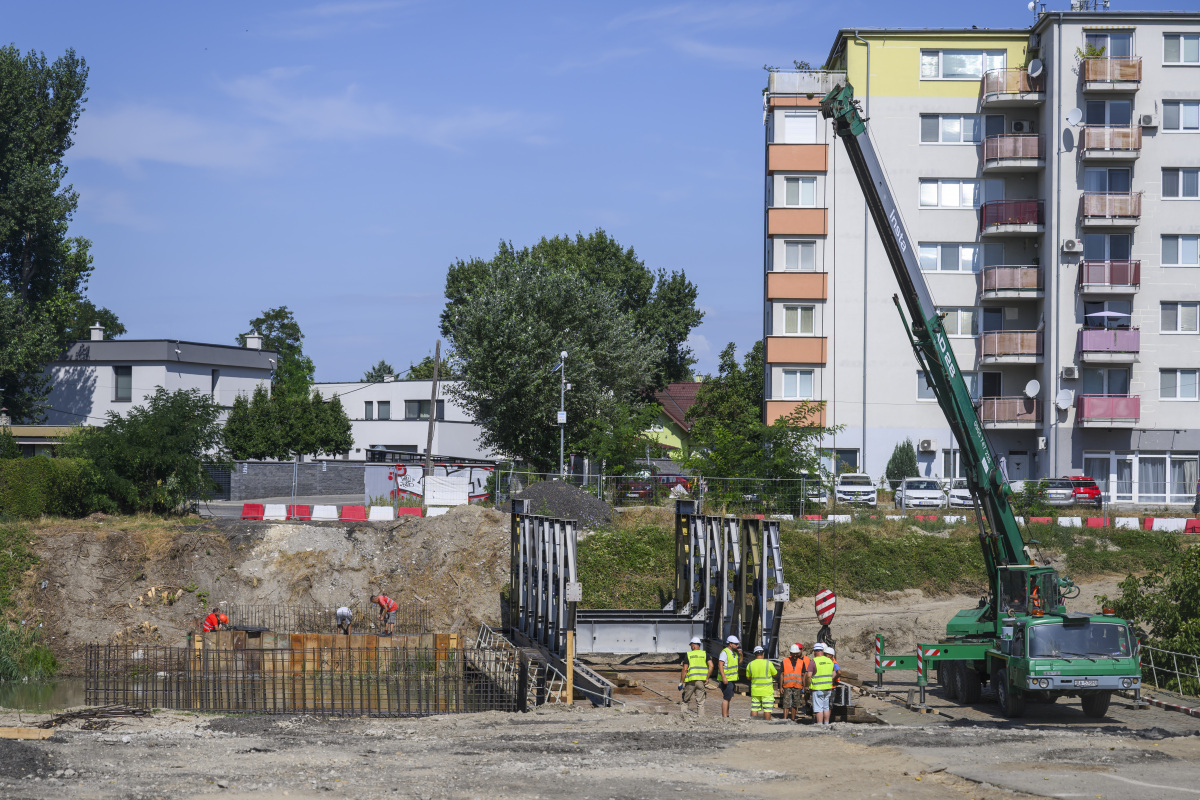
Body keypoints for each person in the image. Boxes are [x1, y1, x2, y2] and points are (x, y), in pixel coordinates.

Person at [679, 636, 712, 716]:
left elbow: (685, 669)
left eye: (691, 645)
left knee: (685, 700)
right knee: (700, 702)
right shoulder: (705, 654)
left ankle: (683, 719)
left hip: (690, 681)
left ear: (693, 645)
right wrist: (707, 678)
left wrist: (681, 682)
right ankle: (701, 719)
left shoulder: (689, 655)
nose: (691, 647)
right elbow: (711, 666)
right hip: (701, 681)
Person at [808, 642, 838, 726]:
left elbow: (808, 676)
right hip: (828, 688)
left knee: (818, 708)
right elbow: (834, 674)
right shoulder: (829, 661)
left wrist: (807, 685)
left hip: (817, 688)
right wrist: (829, 681)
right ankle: (827, 724)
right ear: (822, 651)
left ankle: (820, 725)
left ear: (814, 651)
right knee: (826, 707)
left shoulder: (814, 661)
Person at [745, 645, 778, 720]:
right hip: (767, 691)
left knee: (754, 708)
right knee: (767, 710)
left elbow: (748, 677)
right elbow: (775, 674)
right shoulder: (768, 663)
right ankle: (766, 726)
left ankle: (754, 724)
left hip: (755, 691)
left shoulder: (750, 664)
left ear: (755, 654)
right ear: (763, 653)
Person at [780, 643, 810, 722]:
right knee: (786, 703)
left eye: (796, 654)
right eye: (793, 654)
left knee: (795, 703)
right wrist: (780, 687)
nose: (795, 656)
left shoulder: (801, 662)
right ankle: (785, 719)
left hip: (797, 686)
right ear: (790, 653)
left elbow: (803, 675)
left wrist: (804, 686)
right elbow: (782, 674)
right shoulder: (785, 661)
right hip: (787, 685)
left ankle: (793, 719)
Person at [717, 635, 741, 718]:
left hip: (732, 679)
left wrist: (741, 655)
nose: (737, 646)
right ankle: (724, 716)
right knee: (726, 698)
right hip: (727, 679)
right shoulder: (725, 652)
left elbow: (739, 663)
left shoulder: (734, 653)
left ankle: (727, 715)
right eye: (736, 644)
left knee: (729, 697)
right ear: (730, 644)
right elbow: (720, 664)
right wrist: (724, 677)